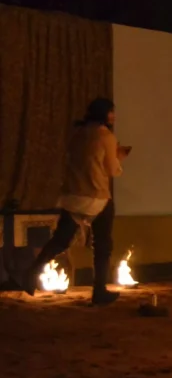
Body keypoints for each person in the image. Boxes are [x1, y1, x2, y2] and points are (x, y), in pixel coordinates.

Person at [25, 98, 129, 305]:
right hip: (95, 196)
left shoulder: (77, 133)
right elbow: (112, 170)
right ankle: (99, 290)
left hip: (72, 196)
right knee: (103, 244)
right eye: (111, 112)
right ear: (104, 114)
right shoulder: (105, 136)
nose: (114, 116)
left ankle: (31, 272)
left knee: (61, 239)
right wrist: (119, 158)